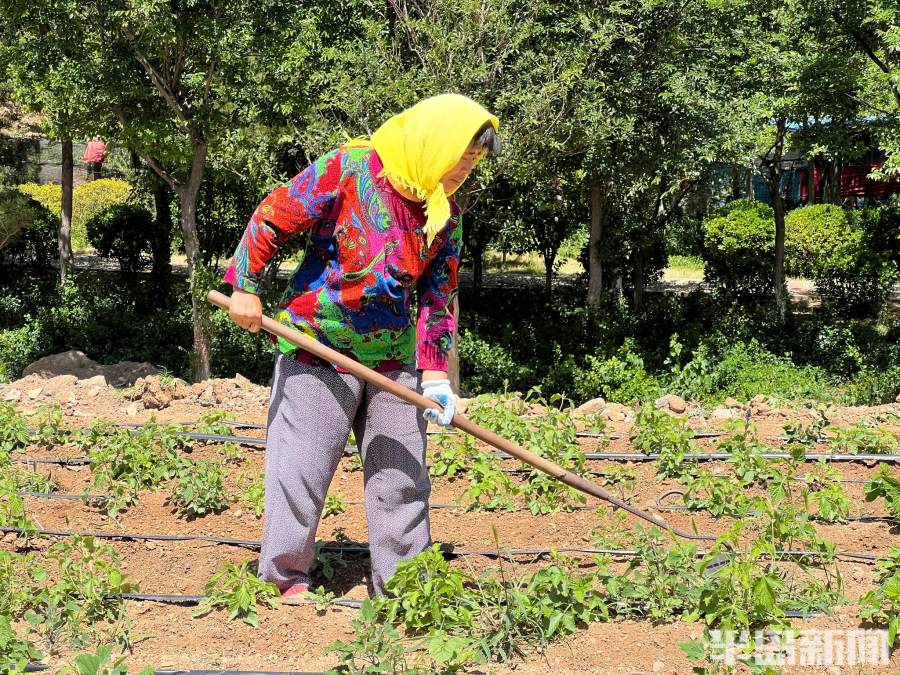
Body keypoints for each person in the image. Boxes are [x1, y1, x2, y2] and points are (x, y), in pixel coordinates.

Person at [223, 93, 500, 599]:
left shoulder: (445, 212)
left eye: (474, 163)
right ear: (433, 143)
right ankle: (285, 576)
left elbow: (439, 295)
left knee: (401, 474)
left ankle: (404, 586)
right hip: (317, 345)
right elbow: (274, 216)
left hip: (393, 357)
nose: (464, 171)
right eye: (462, 158)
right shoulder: (350, 167)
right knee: (301, 465)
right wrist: (245, 284)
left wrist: (436, 377)